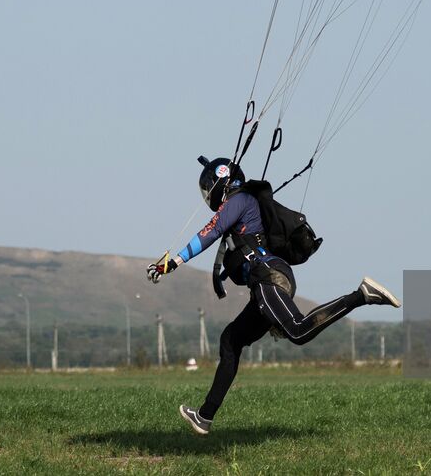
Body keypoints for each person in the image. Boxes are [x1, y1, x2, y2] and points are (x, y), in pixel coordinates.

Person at [147, 156, 400, 435]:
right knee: (230, 340)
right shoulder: (243, 204)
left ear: (218, 184)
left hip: (268, 276)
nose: (208, 196)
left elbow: (209, 231)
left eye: (208, 189)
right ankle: (205, 416)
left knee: (298, 331)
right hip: (265, 282)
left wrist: (172, 262)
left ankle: (362, 295)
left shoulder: (239, 200)